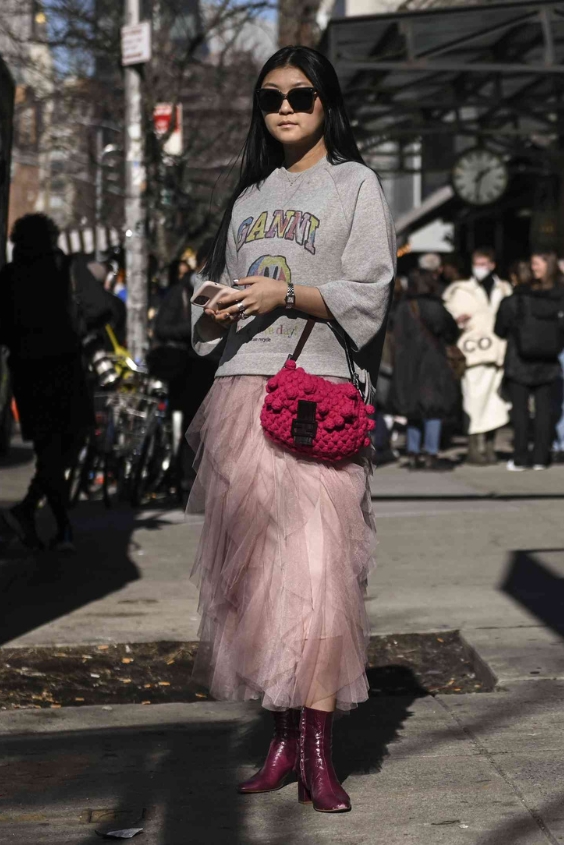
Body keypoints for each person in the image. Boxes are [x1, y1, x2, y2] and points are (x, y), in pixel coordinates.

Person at [187, 46, 395, 813]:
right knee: (251, 585)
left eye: (301, 96)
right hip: (242, 390)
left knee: (320, 576)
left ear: (326, 104)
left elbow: (371, 288)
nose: (285, 107)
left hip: (317, 395)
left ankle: (317, 750)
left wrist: (292, 292)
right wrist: (211, 307)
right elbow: (213, 307)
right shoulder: (247, 198)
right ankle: (278, 743)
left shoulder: (355, 184)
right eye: (271, 96)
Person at [0, 214, 93, 551]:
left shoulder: (9, 276)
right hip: (65, 370)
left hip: (28, 373)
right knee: (65, 447)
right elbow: (101, 308)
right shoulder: (66, 268)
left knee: (48, 450)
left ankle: (39, 516)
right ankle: (43, 517)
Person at [152, 241, 218, 493]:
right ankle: (183, 480)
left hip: (209, 371)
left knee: (206, 430)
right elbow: (160, 327)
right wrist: (193, 330)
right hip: (184, 372)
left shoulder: (219, 291)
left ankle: (195, 480)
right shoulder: (180, 292)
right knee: (189, 427)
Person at [495, 252, 564, 470]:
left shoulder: (516, 299)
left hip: (519, 359)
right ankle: (541, 457)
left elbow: (499, 330)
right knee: (544, 411)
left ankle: (521, 457)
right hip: (549, 359)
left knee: (520, 411)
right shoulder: (557, 297)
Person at [444, 247, 512, 465]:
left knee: (495, 402)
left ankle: (490, 447)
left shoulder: (503, 288)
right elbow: (447, 318)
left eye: (484, 263)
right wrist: (458, 321)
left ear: (492, 265)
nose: (480, 267)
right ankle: (474, 448)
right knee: (473, 401)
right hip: (472, 353)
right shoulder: (460, 290)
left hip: (498, 352)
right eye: (477, 263)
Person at [389, 269, 459, 470]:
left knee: (412, 408)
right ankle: (431, 451)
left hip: (405, 364)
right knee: (433, 408)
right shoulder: (435, 307)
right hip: (432, 363)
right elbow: (450, 331)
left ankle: (412, 451)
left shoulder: (402, 307)